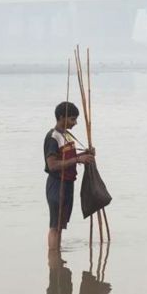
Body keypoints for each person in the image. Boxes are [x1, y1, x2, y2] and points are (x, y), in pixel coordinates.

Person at [44, 101, 95, 259]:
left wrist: (85, 155)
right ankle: (53, 259)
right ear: (61, 117)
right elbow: (52, 165)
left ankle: (57, 260)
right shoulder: (53, 137)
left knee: (61, 225)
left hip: (68, 184)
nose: (75, 123)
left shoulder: (67, 135)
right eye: (72, 119)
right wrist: (77, 160)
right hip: (56, 184)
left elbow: (70, 157)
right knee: (55, 225)